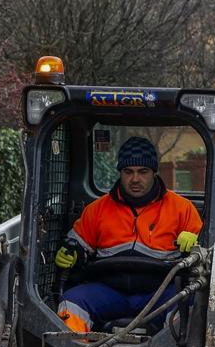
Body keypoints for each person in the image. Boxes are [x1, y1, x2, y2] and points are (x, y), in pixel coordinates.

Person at [54, 137, 201, 333]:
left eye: (143, 172)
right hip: (109, 291)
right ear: (120, 173)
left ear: (154, 173)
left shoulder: (182, 209)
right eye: (128, 172)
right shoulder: (97, 210)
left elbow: (204, 256)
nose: (135, 179)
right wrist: (70, 252)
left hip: (160, 294)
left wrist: (196, 244)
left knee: (189, 302)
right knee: (72, 303)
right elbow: (76, 244)